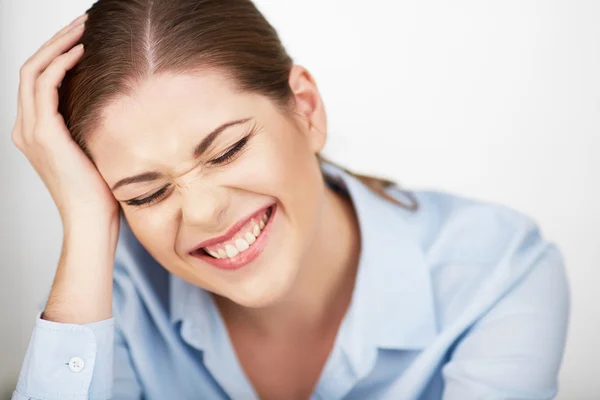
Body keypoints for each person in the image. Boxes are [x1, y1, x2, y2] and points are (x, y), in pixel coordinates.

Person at [10, 1, 570, 399]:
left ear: (305, 108)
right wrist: (85, 223)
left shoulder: (499, 273)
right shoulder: (114, 304)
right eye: (148, 192)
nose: (203, 211)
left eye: (226, 151)